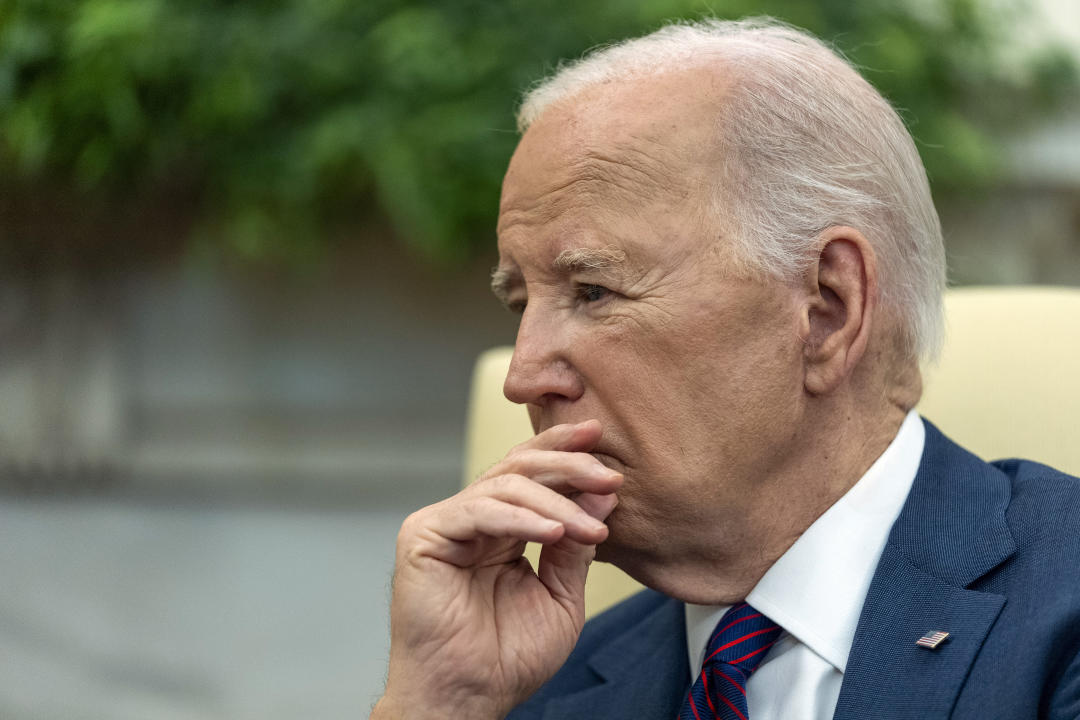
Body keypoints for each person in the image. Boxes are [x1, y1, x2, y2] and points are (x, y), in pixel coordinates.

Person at [371, 18, 1080, 720]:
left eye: (593, 290)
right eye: (521, 305)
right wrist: (439, 704)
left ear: (827, 309)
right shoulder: (538, 686)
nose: (523, 379)